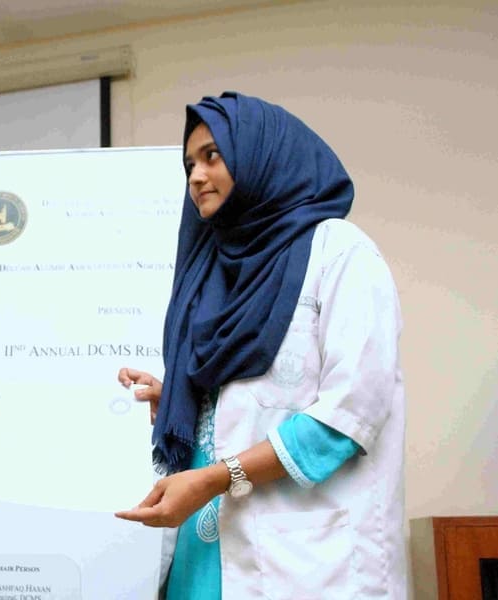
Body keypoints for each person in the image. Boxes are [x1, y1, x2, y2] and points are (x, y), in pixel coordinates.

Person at [115, 92, 406, 598]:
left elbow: (352, 411)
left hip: (304, 558)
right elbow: (246, 400)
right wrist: (180, 401)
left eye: (212, 155)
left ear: (260, 154)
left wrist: (216, 478)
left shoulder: (340, 253)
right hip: (202, 546)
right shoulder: (207, 269)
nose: (196, 176)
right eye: (189, 164)